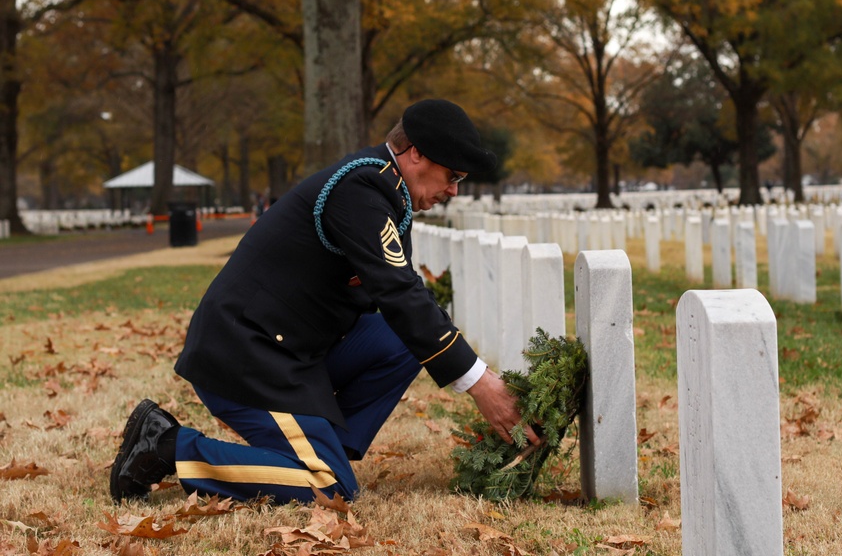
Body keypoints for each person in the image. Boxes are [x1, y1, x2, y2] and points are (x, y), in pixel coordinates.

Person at [109, 99, 540, 504]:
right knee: (330, 488)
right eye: (453, 176)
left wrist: (473, 366)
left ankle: (324, 446)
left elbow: (402, 301)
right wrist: (481, 384)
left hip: (289, 347)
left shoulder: (382, 189)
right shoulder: (362, 189)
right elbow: (399, 292)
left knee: (401, 338)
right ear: (416, 154)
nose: (453, 191)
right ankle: (167, 445)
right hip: (246, 355)